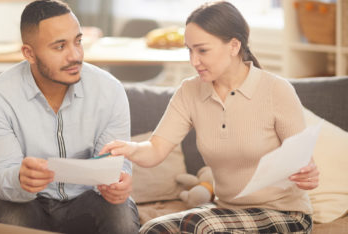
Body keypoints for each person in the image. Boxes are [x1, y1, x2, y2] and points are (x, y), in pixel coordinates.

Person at [100, 2, 319, 233]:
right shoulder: (189, 91)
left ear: (234, 46)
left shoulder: (276, 90)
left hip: (285, 213)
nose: (194, 61)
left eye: (202, 50)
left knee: (201, 226)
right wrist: (129, 149)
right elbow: (156, 149)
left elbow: (303, 161)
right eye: (189, 50)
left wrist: (308, 172)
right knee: (153, 229)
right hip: (227, 211)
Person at [0, 1, 139, 233]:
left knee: (120, 214)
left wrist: (117, 183)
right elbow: (2, 177)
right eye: (60, 47)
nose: (75, 55)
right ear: (29, 54)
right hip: (26, 201)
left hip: (87, 199)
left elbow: (116, 164)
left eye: (78, 41)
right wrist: (20, 179)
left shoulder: (109, 90)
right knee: (12, 215)